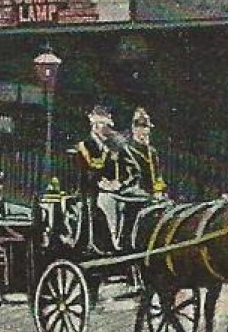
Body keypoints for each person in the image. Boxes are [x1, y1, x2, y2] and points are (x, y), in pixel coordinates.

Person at [69, 103, 128, 252]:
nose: (101, 128)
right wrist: (102, 183)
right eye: (98, 124)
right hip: (90, 190)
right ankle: (111, 241)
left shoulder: (112, 146)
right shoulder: (85, 146)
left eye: (103, 124)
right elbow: (88, 169)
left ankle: (122, 239)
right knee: (105, 204)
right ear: (93, 125)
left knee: (125, 205)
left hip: (112, 190)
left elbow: (120, 169)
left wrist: (117, 181)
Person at [125, 107, 167, 199]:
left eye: (146, 127)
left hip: (153, 196)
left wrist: (159, 191)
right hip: (133, 195)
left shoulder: (152, 151)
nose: (144, 131)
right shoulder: (126, 149)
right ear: (133, 129)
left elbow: (157, 176)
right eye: (140, 127)